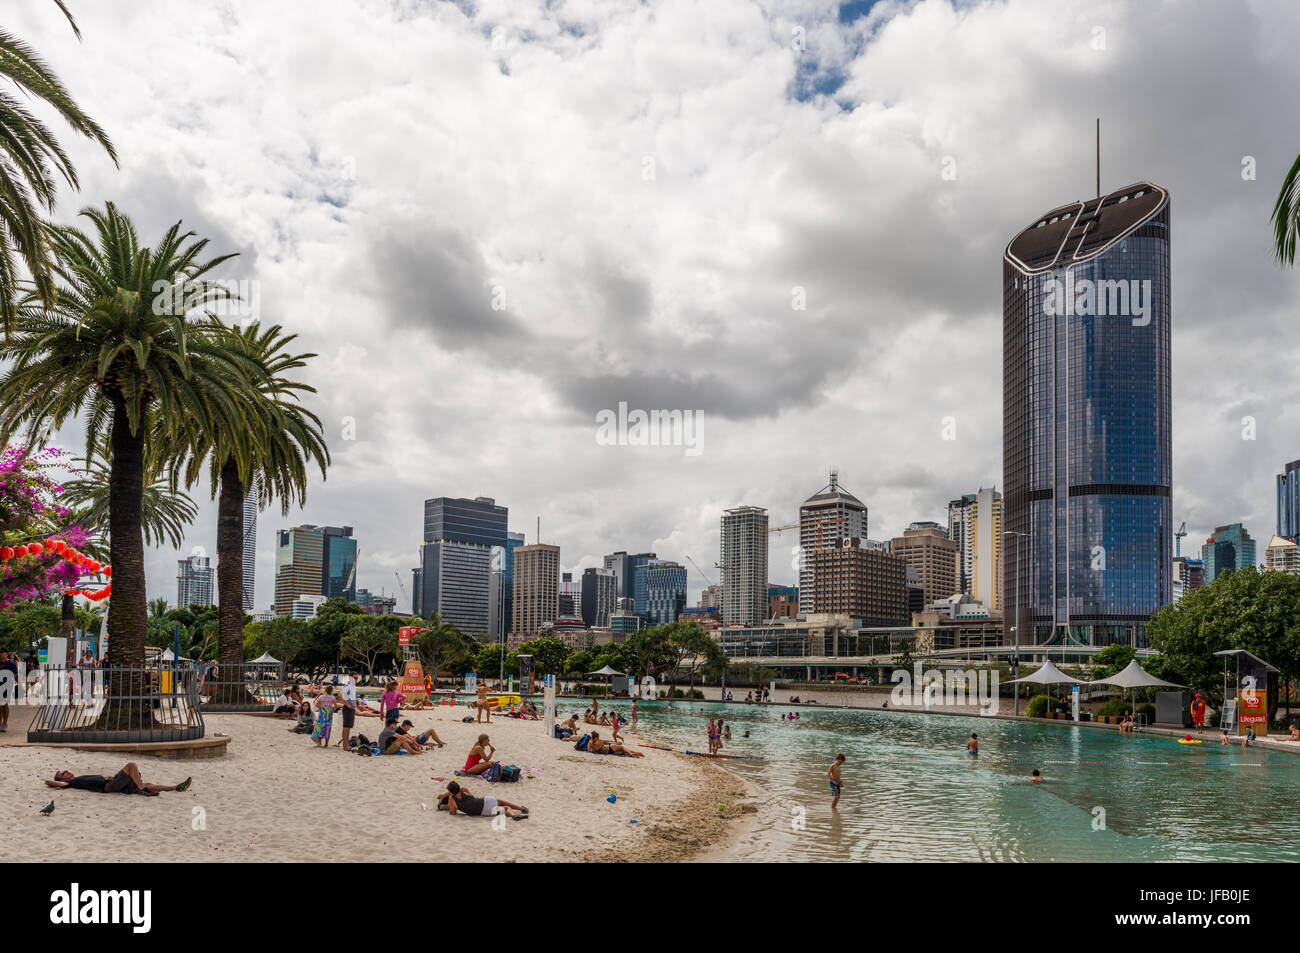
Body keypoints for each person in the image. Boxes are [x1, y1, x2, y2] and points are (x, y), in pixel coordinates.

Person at [46, 764, 192, 797]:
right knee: (131, 766)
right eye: (63, 773)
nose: (66, 772)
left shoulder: (78, 778)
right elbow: (50, 783)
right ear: (62, 778)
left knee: (147, 784)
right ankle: (142, 790)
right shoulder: (71, 783)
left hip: (112, 781)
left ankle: (176, 787)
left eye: (65, 770)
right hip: (108, 787)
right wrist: (53, 780)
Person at [441, 781, 528, 820]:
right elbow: (472, 797)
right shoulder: (463, 790)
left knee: (505, 808)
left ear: (450, 792)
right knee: (501, 802)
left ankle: (513, 815)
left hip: (482, 812)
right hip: (483, 802)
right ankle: (519, 809)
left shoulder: (452, 800)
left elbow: (452, 813)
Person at [338, 671, 359, 750]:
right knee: (346, 727)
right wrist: (347, 704)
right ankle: (345, 745)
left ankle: (346, 744)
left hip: (351, 709)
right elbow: (340, 695)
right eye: (355, 678)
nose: (356, 679)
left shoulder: (352, 686)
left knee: (348, 727)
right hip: (348, 709)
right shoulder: (348, 685)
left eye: (357, 678)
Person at [0, 649, 19, 733]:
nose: (0, 654)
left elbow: (16, 674)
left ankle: (5, 722)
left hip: (7, 686)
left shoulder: (11, 663)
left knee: (4, 704)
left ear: (6, 654)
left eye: (2, 653)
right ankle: (0, 723)